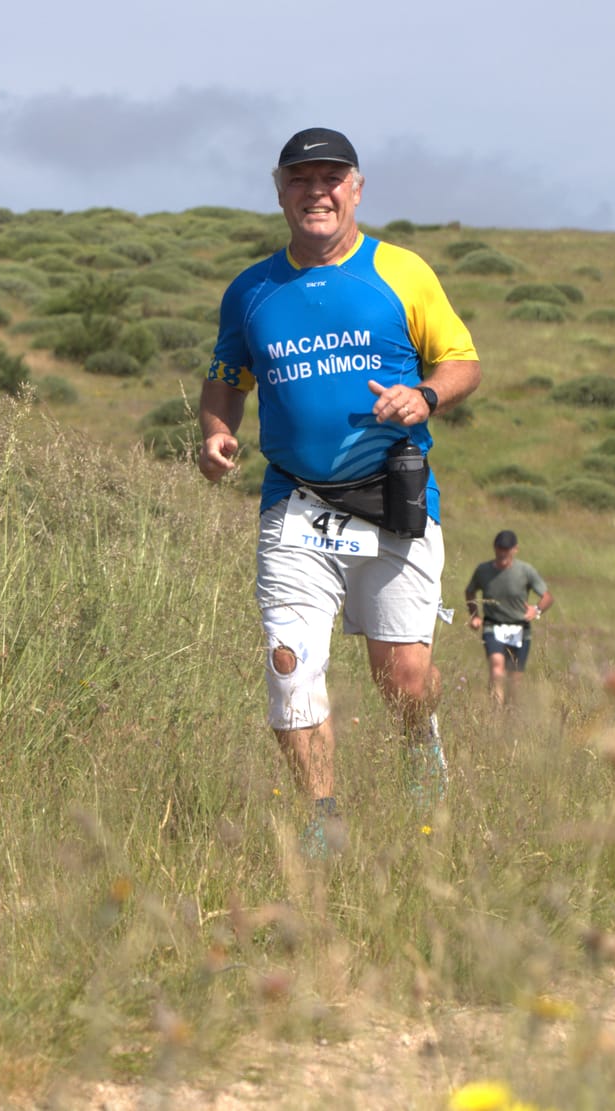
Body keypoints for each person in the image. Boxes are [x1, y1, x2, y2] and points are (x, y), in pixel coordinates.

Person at [198, 127, 481, 854]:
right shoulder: (251, 290)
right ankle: (323, 820)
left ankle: (423, 760)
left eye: (331, 180)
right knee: (288, 663)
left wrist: (425, 395)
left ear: (356, 189)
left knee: (404, 676)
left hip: (392, 497)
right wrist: (215, 431)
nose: (315, 193)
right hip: (295, 503)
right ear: (279, 190)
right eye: (300, 180)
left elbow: (461, 360)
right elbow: (227, 378)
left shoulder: (402, 272)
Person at [464, 530, 553, 706]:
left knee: (515, 679)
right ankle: (495, 716)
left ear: (515, 549)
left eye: (506, 549)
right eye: (499, 548)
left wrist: (536, 610)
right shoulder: (483, 570)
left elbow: (547, 597)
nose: (502, 553)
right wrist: (474, 615)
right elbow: (470, 591)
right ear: (494, 548)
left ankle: (510, 715)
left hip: (520, 628)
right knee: (497, 670)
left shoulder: (525, 571)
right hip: (493, 626)